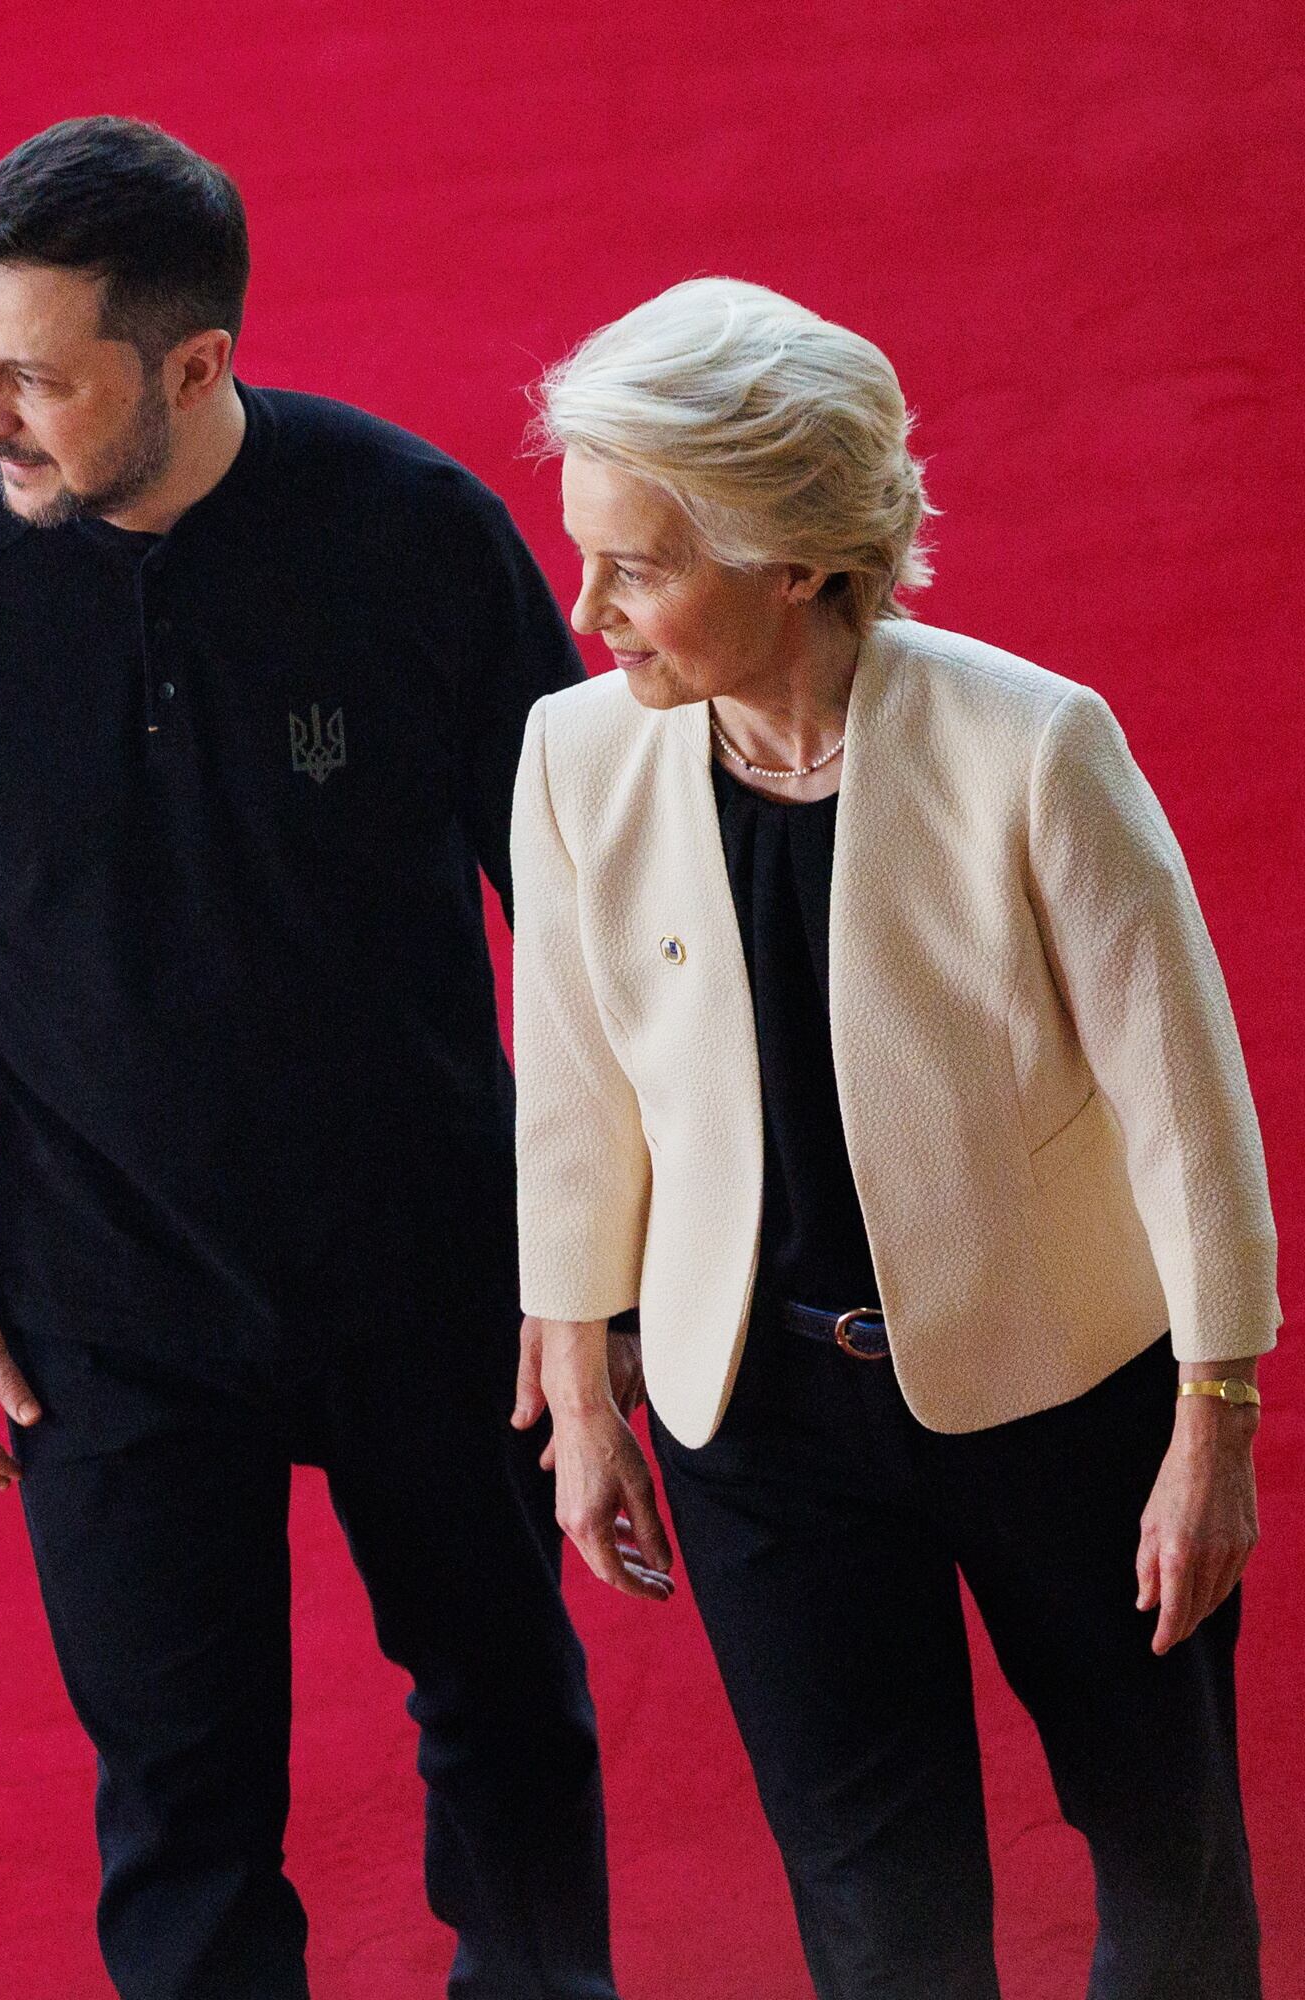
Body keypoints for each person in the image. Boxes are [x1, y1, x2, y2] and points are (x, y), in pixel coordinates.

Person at [0, 117, 617, 1999]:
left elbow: (584, 917)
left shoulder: (415, 534)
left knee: (506, 1703)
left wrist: (594, 1263)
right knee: (181, 1799)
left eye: (32, 377)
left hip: (435, 1274)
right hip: (105, 1318)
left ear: (194, 367)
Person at [511, 277, 1277, 2000]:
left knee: (1166, 1851)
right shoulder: (575, 756)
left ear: (791, 559)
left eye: (637, 566)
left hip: (1061, 1397)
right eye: (585, 556)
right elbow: (572, 1088)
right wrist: (580, 1388)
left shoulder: (1035, 745)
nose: (586, 609)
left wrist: (1214, 1424)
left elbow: (1186, 1104)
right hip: (756, 1420)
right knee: (876, 1913)